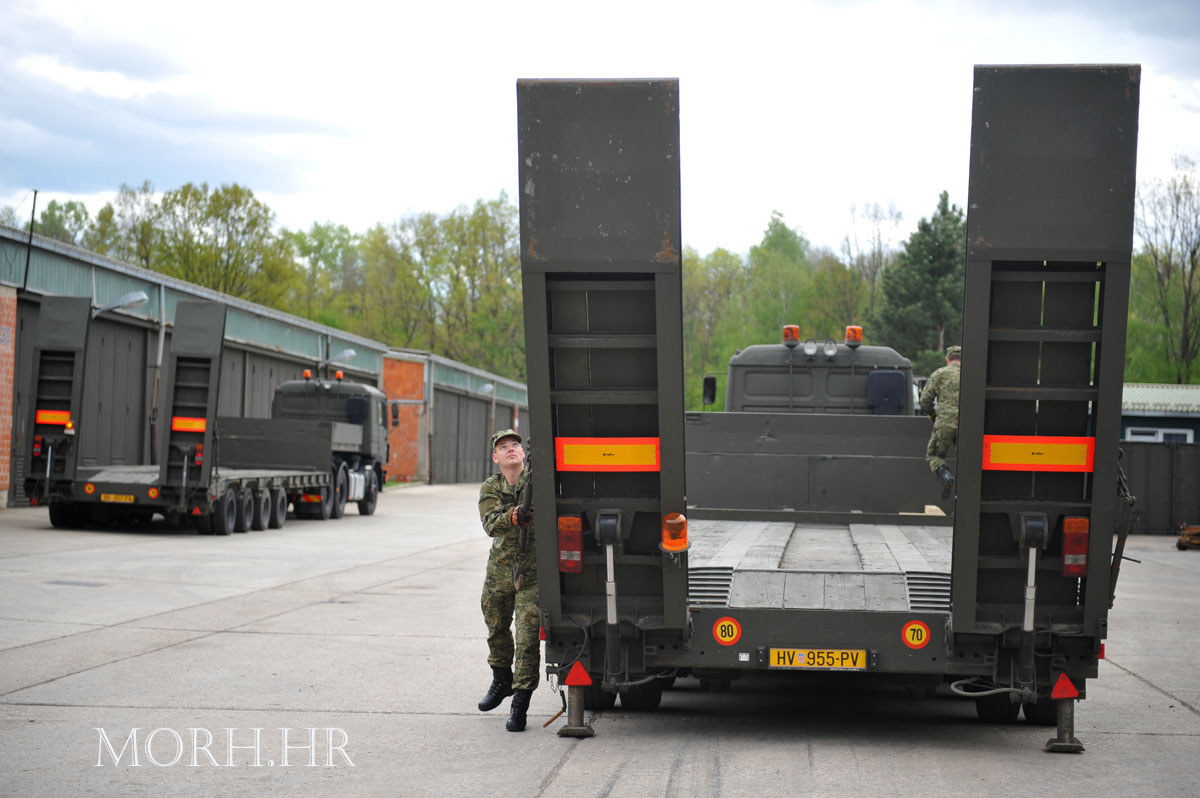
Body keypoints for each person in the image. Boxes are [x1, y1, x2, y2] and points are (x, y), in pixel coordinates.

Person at [476, 428, 538, 732]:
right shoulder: (491, 487)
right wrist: (513, 516)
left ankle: (520, 705)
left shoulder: (535, 482)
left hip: (532, 572)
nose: (511, 449)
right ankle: (501, 680)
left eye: (515, 444)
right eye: (504, 447)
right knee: (496, 627)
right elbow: (490, 524)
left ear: (523, 453)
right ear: (495, 458)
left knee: (528, 638)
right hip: (500, 571)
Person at [921, 345, 961, 499]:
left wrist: (933, 415)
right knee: (967, 459)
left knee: (934, 455)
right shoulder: (971, 375)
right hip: (968, 424)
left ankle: (945, 476)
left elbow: (925, 401)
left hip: (945, 422)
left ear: (947, 359)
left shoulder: (940, 374)